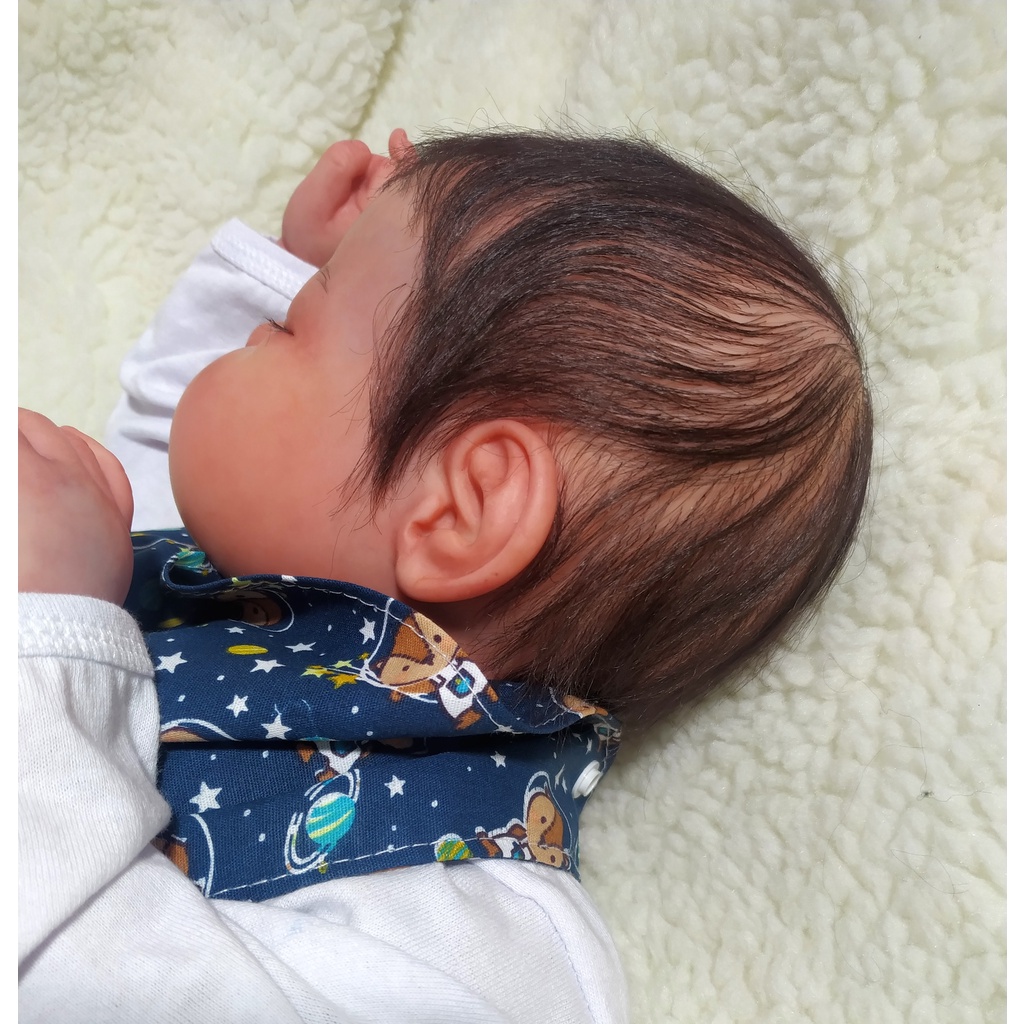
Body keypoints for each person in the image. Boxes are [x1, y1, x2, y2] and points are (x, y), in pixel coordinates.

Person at [18, 127, 872, 1023]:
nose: (262, 328)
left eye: (289, 328)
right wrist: (296, 270)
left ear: (463, 511)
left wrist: (46, 636)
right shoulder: (240, 578)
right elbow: (174, 454)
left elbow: (75, 973)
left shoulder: (470, 931)